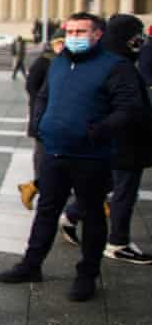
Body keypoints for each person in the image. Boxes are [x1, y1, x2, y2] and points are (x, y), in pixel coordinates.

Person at [0, 12, 143, 301]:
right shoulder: (61, 63)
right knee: (46, 211)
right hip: (54, 151)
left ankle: (87, 275)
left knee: (92, 216)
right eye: (71, 31)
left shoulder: (116, 67)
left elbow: (129, 109)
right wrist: (41, 123)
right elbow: (43, 95)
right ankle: (31, 264)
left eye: (81, 31)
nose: (73, 36)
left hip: (91, 155)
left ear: (97, 34)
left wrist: (99, 130)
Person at [58, 14, 152, 265]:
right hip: (124, 141)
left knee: (105, 185)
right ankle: (118, 242)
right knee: (123, 192)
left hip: (110, 141)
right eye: (136, 35)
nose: (140, 40)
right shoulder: (119, 66)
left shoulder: (104, 61)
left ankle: (71, 214)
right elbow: (127, 109)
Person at [17, 29, 65, 209]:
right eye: (59, 42)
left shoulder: (65, 62)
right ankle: (37, 187)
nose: (63, 46)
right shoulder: (45, 61)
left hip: (59, 119)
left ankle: (34, 187)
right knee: (44, 159)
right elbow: (32, 87)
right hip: (44, 118)